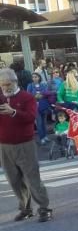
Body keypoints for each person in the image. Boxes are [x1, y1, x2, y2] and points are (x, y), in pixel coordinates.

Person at [0, 68, 52, 222]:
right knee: (13, 180)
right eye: (2, 85)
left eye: (8, 84)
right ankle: (26, 208)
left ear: (15, 82)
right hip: (4, 145)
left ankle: (44, 208)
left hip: (24, 144)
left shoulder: (26, 97)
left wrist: (14, 112)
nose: (5, 88)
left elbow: (31, 117)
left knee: (32, 177)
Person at [27, 71, 51, 144]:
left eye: (36, 77)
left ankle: (45, 136)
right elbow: (28, 95)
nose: (34, 78)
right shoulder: (30, 85)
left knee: (44, 122)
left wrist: (42, 95)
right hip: (35, 107)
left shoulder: (43, 85)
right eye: (33, 77)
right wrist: (34, 96)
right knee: (39, 123)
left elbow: (46, 93)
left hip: (43, 105)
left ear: (39, 77)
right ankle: (41, 138)